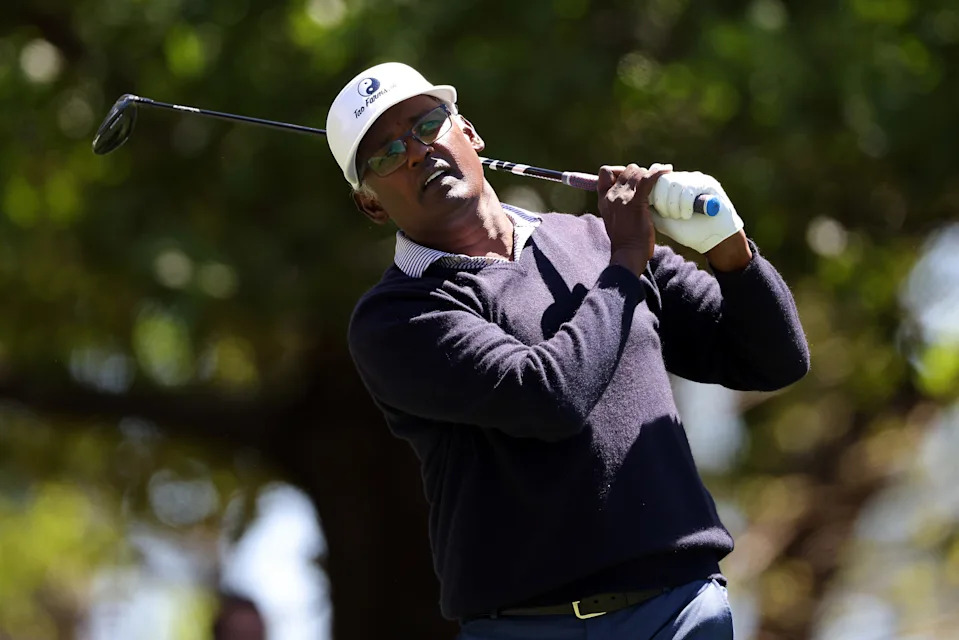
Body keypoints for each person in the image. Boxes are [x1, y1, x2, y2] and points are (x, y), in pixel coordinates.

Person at [326, 62, 809, 639]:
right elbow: (548, 398)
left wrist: (730, 247)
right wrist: (628, 258)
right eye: (385, 155)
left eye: (428, 124)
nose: (416, 152)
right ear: (371, 205)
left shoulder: (596, 238)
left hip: (681, 609)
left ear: (469, 132)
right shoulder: (396, 317)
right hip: (529, 627)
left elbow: (773, 358)